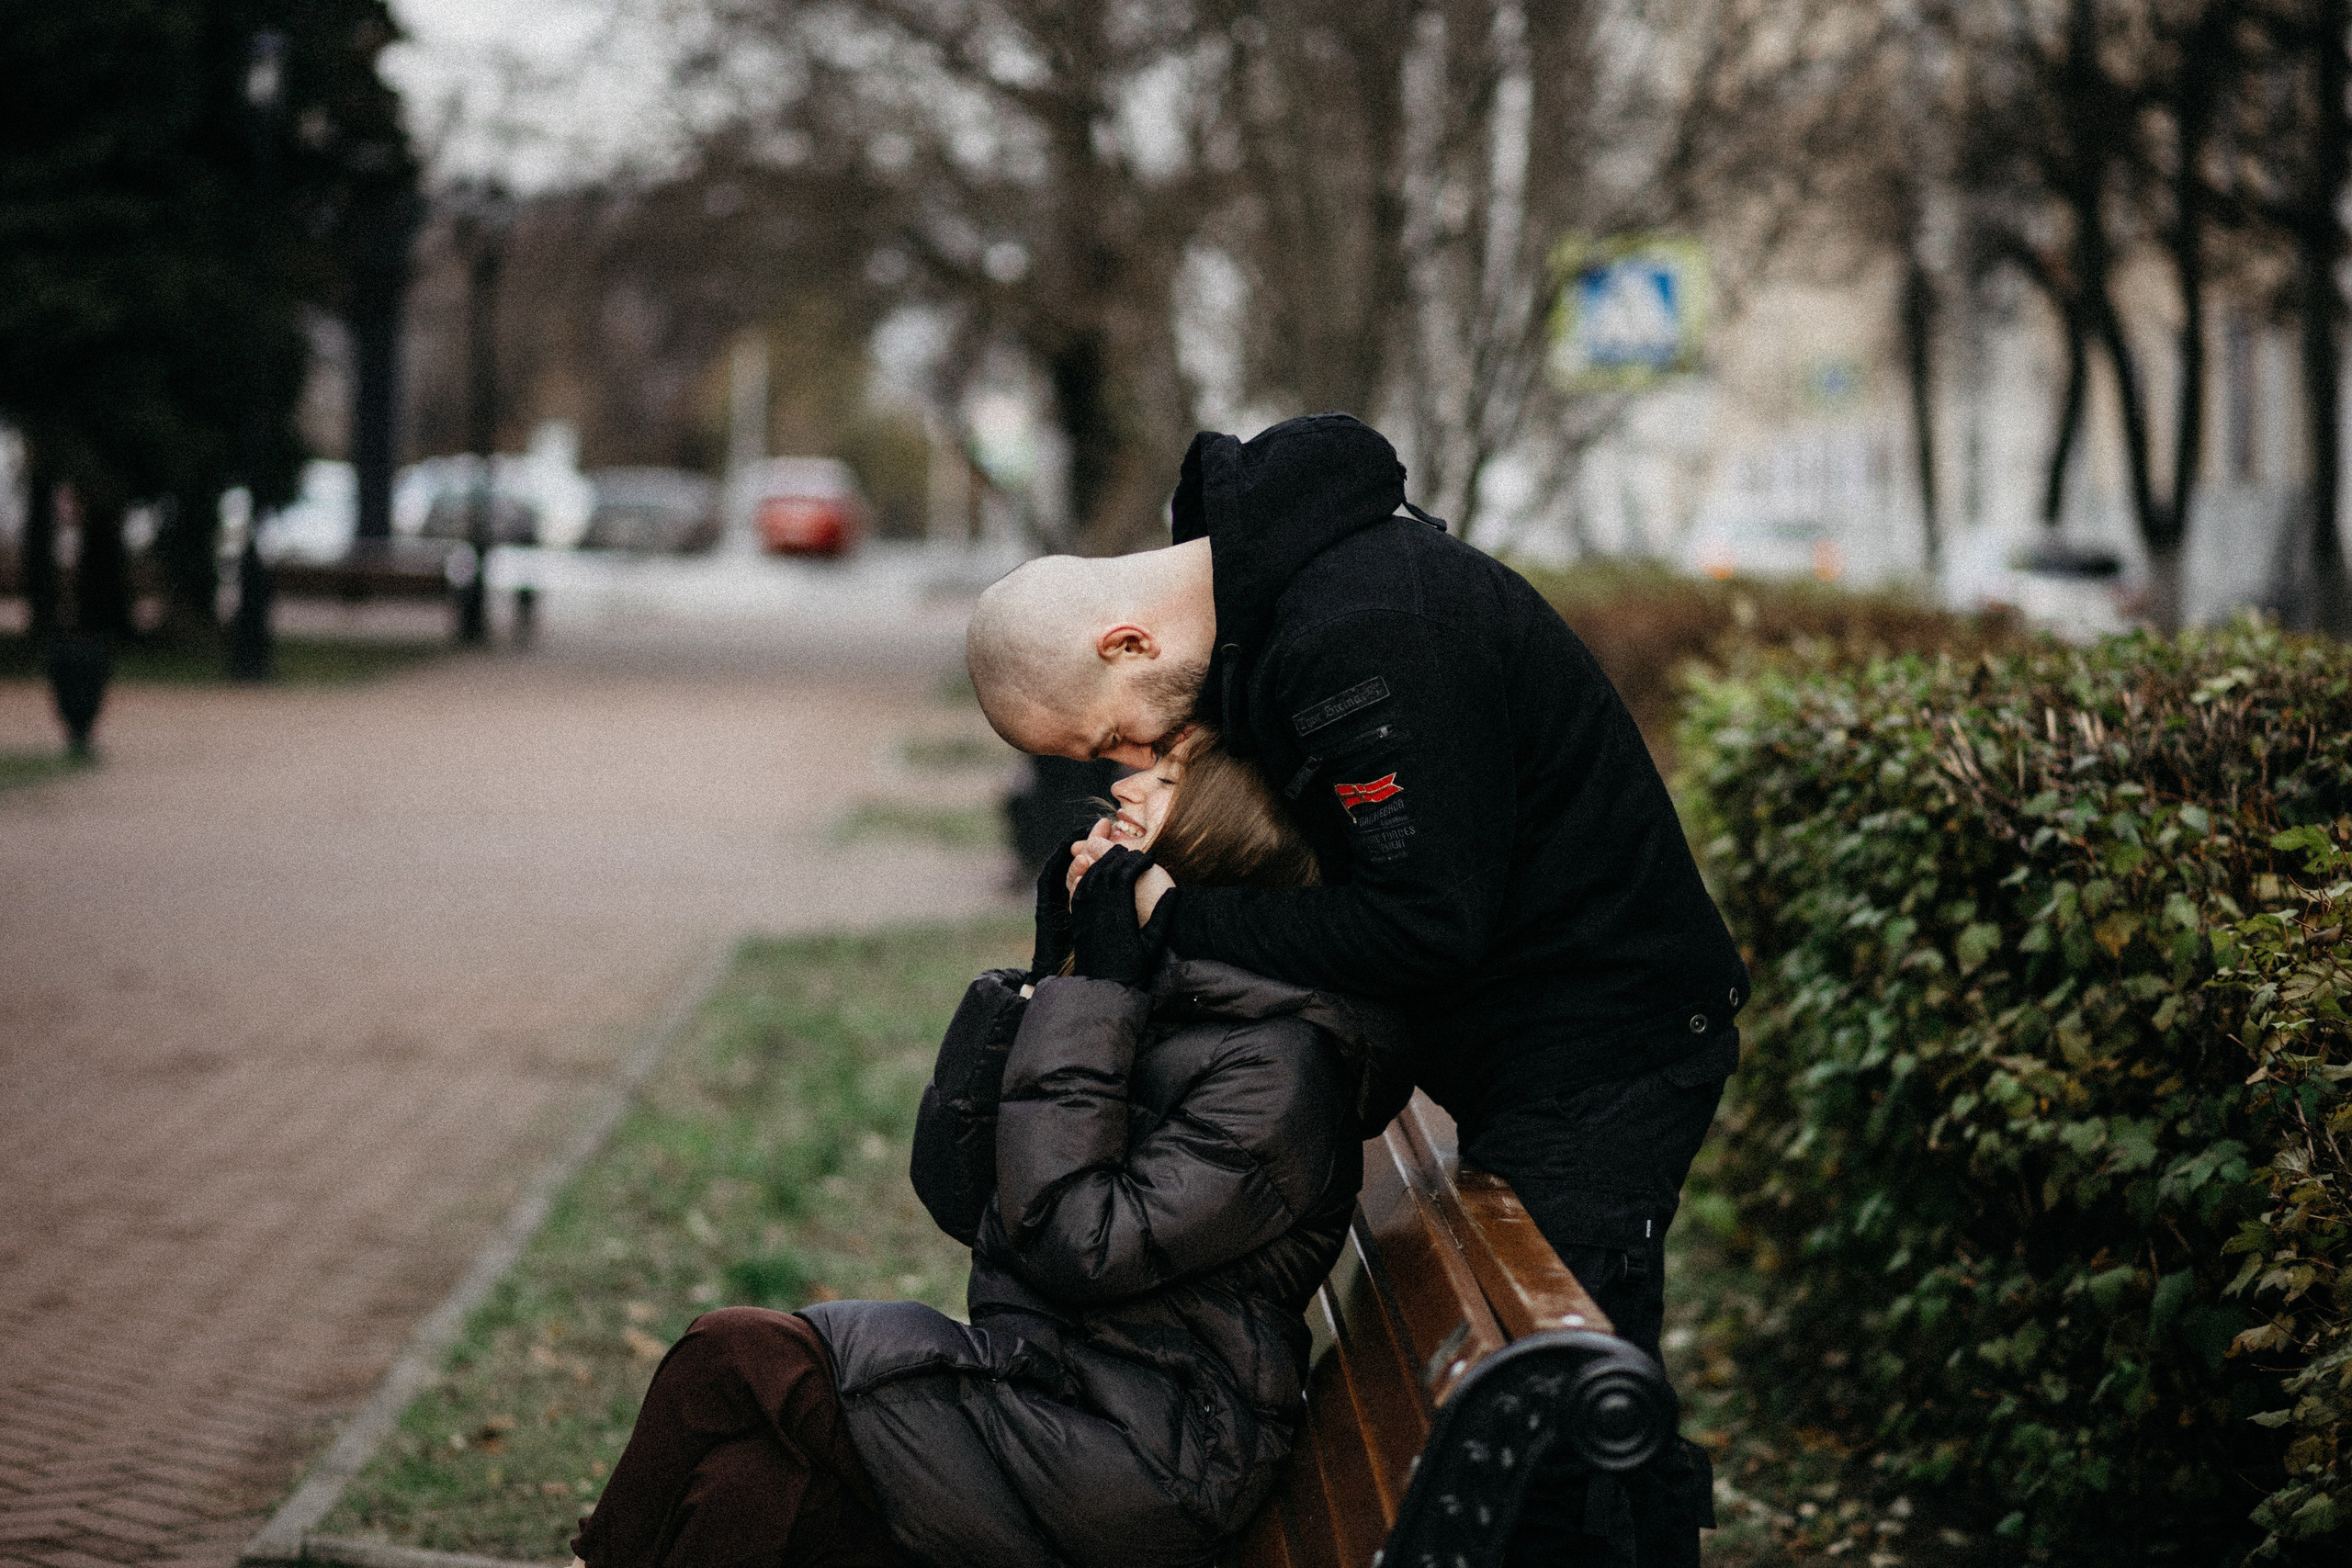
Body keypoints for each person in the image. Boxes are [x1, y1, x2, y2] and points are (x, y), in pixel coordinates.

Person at [963, 412, 1747, 1565]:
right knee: (1555, 1437)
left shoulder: (1363, 634)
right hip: (1520, 1048)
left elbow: (1422, 923)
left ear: (1127, 643)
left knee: (1570, 1433)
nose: (1130, 763)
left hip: (1604, 1049)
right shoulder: (1279, 608)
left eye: (1110, 740)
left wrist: (1174, 917)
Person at [571, 728, 1400, 1568]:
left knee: (734, 1356)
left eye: (1170, 778)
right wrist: (1050, 984)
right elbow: (958, 1190)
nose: (1126, 787)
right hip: (1057, 1396)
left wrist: (1095, 994)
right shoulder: (1164, 991)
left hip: (1144, 1458)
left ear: (1237, 832)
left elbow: (1079, 1242)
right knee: (744, 1490)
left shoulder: (1278, 1067)